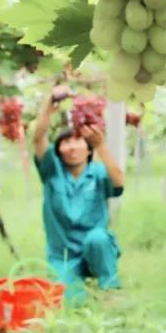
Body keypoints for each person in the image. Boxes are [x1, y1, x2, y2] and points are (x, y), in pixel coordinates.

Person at [31, 85, 125, 302]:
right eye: (65, 142)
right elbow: (38, 138)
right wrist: (49, 103)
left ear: (88, 148)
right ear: (58, 150)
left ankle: (109, 287)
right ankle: (76, 284)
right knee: (69, 303)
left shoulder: (99, 172)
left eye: (77, 141)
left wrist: (102, 146)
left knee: (98, 238)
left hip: (94, 247)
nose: (72, 147)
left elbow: (119, 182)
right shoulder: (52, 172)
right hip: (63, 255)